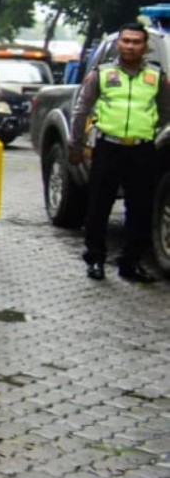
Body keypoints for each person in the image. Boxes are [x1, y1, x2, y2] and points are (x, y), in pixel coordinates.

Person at [70, 21, 170, 282]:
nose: (130, 46)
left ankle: (131, 263)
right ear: (118, 44)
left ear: (144, 47)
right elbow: (81, 110)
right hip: (107, 148)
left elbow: (165, 113)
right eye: (126, 41)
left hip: (141, 150)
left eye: (136, 42)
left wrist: (145, 131)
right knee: (99, 207)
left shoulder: (156, 77)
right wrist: (76, 144)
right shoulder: (101, 74)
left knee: (139, 209)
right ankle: (95, 260)